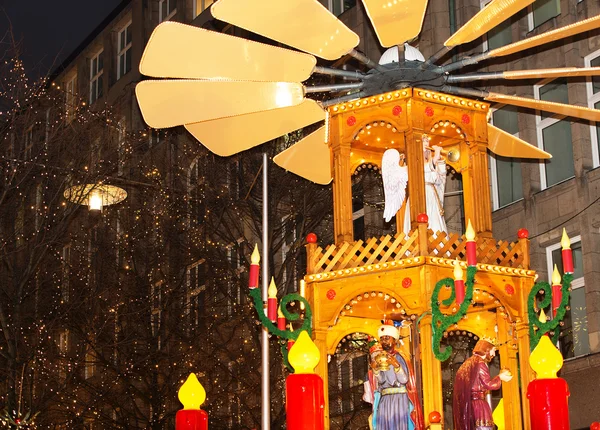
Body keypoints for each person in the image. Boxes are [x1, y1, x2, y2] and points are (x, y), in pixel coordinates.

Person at [381, 135, 447, 236]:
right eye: (423, 142)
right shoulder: (410, 167)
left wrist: (440, 161)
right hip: (418, 196)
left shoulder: (432, 164)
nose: (426, 144)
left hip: (431, 196)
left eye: (427, 142)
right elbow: (420, 169)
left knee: (435, 224)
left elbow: (440, 179)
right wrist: (435, 158)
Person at [364, 322, 424, 430]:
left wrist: (396, 365)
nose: (384, 341)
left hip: (399, 398)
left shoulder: (400, 357)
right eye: (382, 339)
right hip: (385, 399)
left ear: (394, 340)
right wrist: (375, 369)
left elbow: (404, 379)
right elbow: (382, 381)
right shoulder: (380, 357)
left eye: (387, 338)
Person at [452, 338, 513, 430]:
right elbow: (488, 384)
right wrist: (500, 377)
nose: (493, 354)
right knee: (484, 427)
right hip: (479, 406)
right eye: (493, 350)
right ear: (487, 349)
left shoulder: (469, 363)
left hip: (469, 406)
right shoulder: (480, 363)